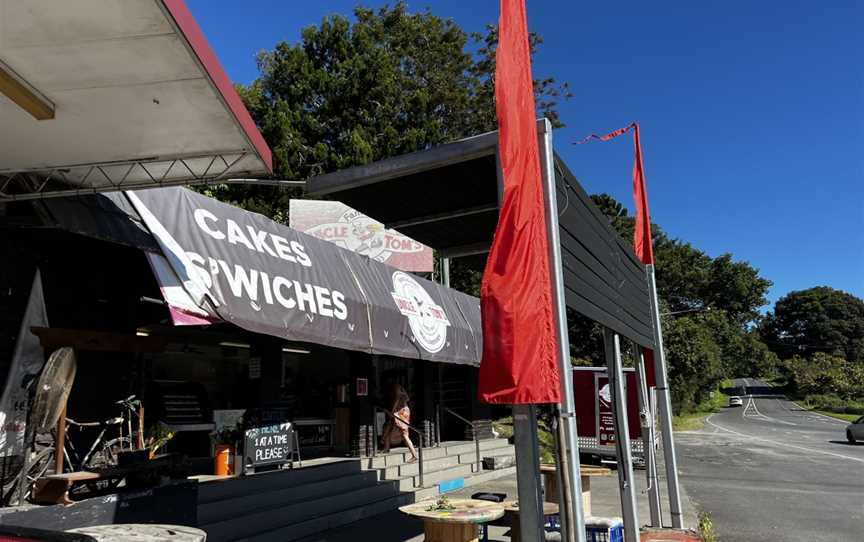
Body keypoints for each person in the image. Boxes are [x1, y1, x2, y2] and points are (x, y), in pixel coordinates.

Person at [381, 387, 418, 461]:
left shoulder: (398, 394)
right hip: (405, 412)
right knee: (392, 429)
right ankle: (386, 447)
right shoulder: (404, 394)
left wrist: (392, 412)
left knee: (404, 435)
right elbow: (407, 399)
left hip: (401, 413)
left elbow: (396, 404)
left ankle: (414, 455)